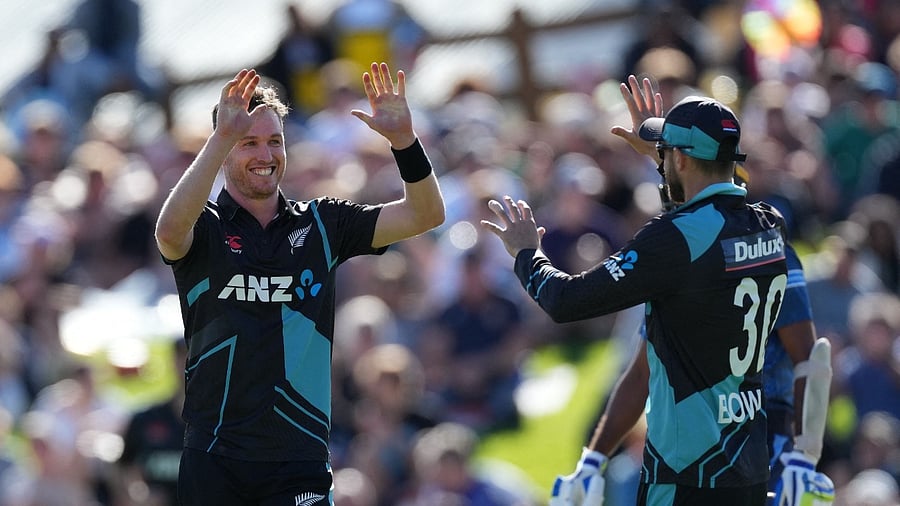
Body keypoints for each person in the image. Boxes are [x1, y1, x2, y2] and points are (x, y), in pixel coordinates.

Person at [482, 75, 788, 505]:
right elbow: (707, 230)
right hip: (749, 464)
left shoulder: (674, 239)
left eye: (668, 154)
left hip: (686, 472)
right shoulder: (769, 222)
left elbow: (565, 301)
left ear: (681, 160)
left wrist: (526, 254)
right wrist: (666, 160)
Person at [154, 62, 444, 505]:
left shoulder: (323, 223)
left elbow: (425, 215)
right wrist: (218, 140)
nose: (265, 156)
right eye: (247, 143)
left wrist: (404, 142)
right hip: (215, 460)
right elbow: (169, 232)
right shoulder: (205, 229)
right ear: (225, 149)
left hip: (298, 459)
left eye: (274, 141)